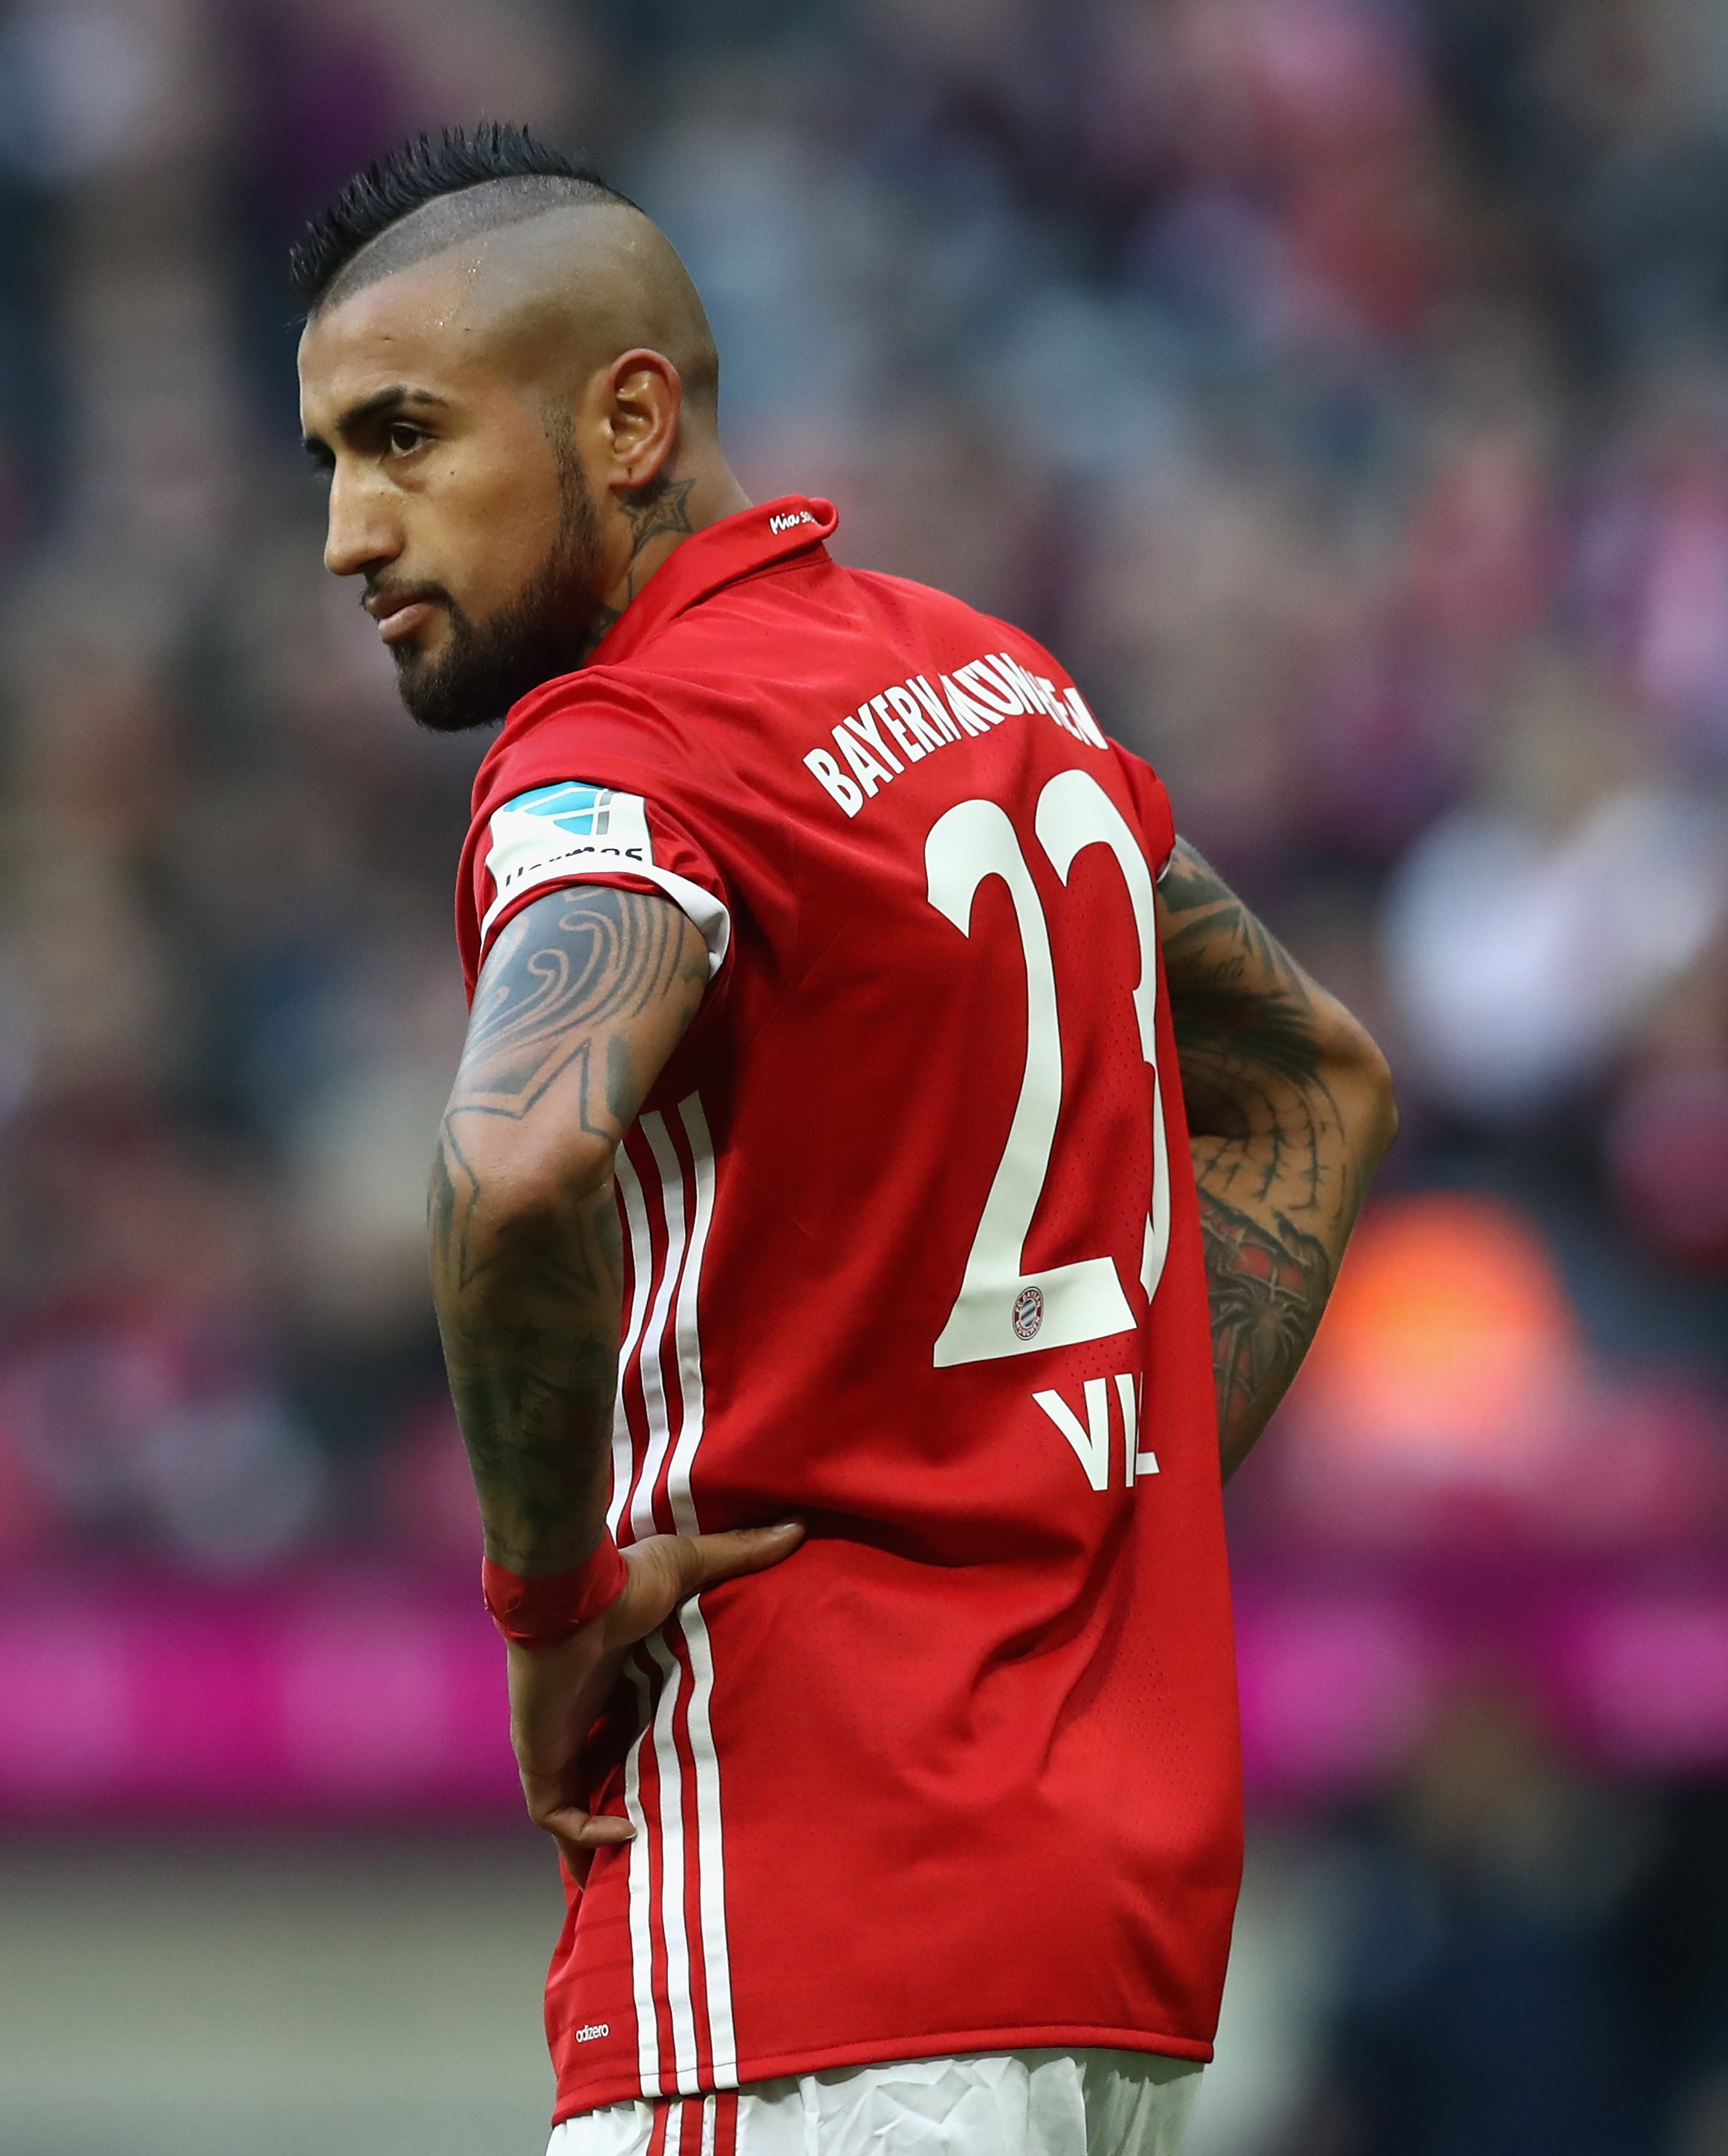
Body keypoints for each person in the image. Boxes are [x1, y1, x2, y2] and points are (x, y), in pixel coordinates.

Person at [294, 125, 1399, 2156]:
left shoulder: (620, 753)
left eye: (406, 439)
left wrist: (550, 1605)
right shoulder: (1004, 688)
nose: (353, 532)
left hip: (800, 1921)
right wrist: (1095, 1496)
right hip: (1101, 1941)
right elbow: (1314, 1079)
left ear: (627, 419)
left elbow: (518, 1160)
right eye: (334, 462)